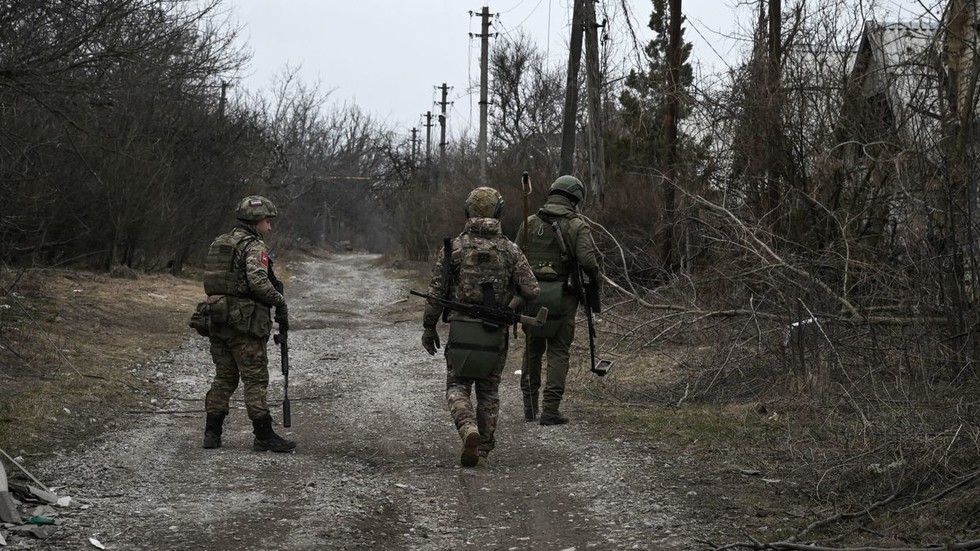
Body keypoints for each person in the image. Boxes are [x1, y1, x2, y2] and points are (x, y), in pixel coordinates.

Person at [421, 186, 539, 467]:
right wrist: (510, 306)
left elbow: (436, 292)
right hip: (494, 334)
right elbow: (532, 290)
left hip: (462, 331)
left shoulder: (455, 248)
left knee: (457, 385)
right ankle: (483, 446)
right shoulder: (510, 250)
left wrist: (429, 327)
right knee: (489, 390)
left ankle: (467, 429)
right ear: (498, 213)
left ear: (467, 212)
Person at [200, 195, 295, 453]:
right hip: (245, 324)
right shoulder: (254, 246)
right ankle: (263, 435)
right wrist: (279, 301)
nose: (270, 227)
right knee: (255, 379)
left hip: (218, 319)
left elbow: (212, 281)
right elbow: (258, 283)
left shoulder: (220, 242)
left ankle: (212, 433)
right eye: (267, 221)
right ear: (255, 221)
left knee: (225, 377)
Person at [516, 175, 601, 425]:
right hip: (563, 295)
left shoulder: (528, 222)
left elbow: (515, 257)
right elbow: (588, 261)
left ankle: (529, 408)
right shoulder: (577, 225)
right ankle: (550, 410)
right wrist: (595, 281)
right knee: (558, 351)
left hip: (531, 295)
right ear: (574, 198)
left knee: (532, 349)